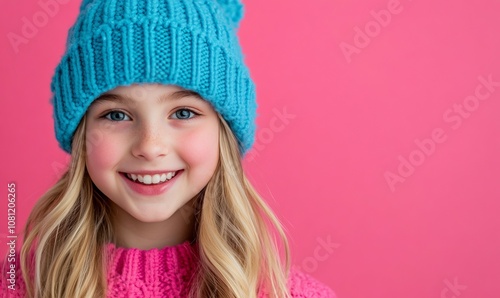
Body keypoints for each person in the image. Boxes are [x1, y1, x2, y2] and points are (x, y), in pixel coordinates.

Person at [1, 0, 337, 297]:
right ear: (80, 135)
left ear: (224, 132)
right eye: (116, 114)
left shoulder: (291, 294)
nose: (150, 146)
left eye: (183, 113)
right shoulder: (20, 287)